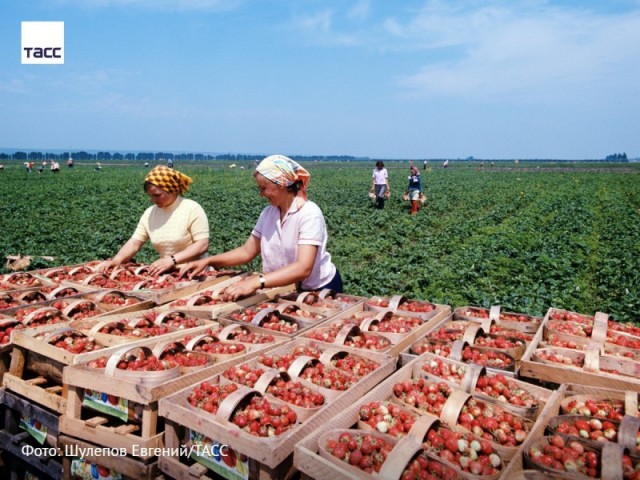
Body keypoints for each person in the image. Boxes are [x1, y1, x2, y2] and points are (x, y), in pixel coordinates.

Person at [180, 155, 342, 302]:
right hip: (284, 286)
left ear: (282, 184)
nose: (261, 194)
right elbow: (247, 251)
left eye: (263, 188)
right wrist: (209, 260)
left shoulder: (308, 213)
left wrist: (257, 281)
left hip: (318, 288)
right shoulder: (268, 213)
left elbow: (303, 267)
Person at [97, 166, 210, 276]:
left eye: (157, 195)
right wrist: (116, 260)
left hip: (196, 272)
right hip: (168, 272)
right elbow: (135, 243)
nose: (153, 200)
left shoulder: (191, 208)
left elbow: (202, 244)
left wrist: (172, 260)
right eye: (150, 196)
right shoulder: (150, 213)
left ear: (172, 189)